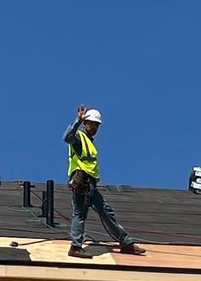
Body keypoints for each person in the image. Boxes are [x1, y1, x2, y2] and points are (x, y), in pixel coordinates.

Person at [62, 106, 146, 258]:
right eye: (91, 123)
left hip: (91, 184)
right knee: (79, 214)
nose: (94, 127)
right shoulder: (79, 137)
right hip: (81, 181)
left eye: (96, 125)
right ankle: (75, 246)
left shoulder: (90, 143)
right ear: (84, 123)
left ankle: (126, 243)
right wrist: (77, 121)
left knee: (106, 212)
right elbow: (67, 137)